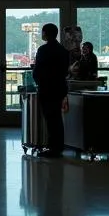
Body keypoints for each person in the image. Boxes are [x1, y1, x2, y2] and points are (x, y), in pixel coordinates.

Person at [32, 22, 70, 158]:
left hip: (47, 88)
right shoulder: (63, 51)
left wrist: (39, 82)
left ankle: (52, 148)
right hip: (59, 87)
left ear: (45, 34)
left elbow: (37, 71)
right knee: (57, 118)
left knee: (50, 118)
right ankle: (58, 146)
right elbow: (66, 71)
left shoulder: (43, 50)